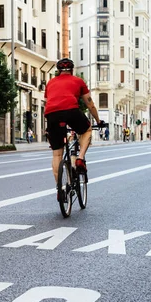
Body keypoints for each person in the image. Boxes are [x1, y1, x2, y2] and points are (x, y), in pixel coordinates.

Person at [44, 58, 102, 200]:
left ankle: (60, 189)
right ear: (72, 69)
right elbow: (90, 104)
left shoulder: (50, 83)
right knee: (87, 130)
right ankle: (80, 158)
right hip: (71, 111)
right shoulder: (78, 81)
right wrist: (98, 121)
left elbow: (48, 102)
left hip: (51, 115)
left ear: (58, 71)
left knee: (57, 155)